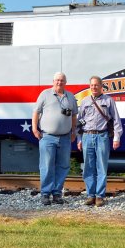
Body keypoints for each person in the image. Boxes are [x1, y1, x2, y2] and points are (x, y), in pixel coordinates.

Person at [32, 72, 78, 205]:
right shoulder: (45, 94)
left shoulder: (70, 96)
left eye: (62, 80)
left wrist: (74, 131)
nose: (59, 82)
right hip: (47, 137)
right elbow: (36, 112)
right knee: (46, 166)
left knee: (63, 166)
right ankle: (45, 194)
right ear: (53, 81)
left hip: (65, 138)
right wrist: (35, 129)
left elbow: (74, 115)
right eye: (57, 80)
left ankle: (57, 193)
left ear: (65, 82)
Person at [77, 76, 122, 207]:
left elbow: (116, 120)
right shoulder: (85, 101)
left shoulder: (109, 101)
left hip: (102, 136)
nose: (94, 87)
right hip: (87, 137)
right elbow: (79, 122)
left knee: (101, 167)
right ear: (89, 86)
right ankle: (90, 195)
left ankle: (99, 196)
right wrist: (79, 139)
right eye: (92, 85)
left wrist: (117, 137)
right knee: (88, 167)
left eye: (96, 85)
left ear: (101, 86)